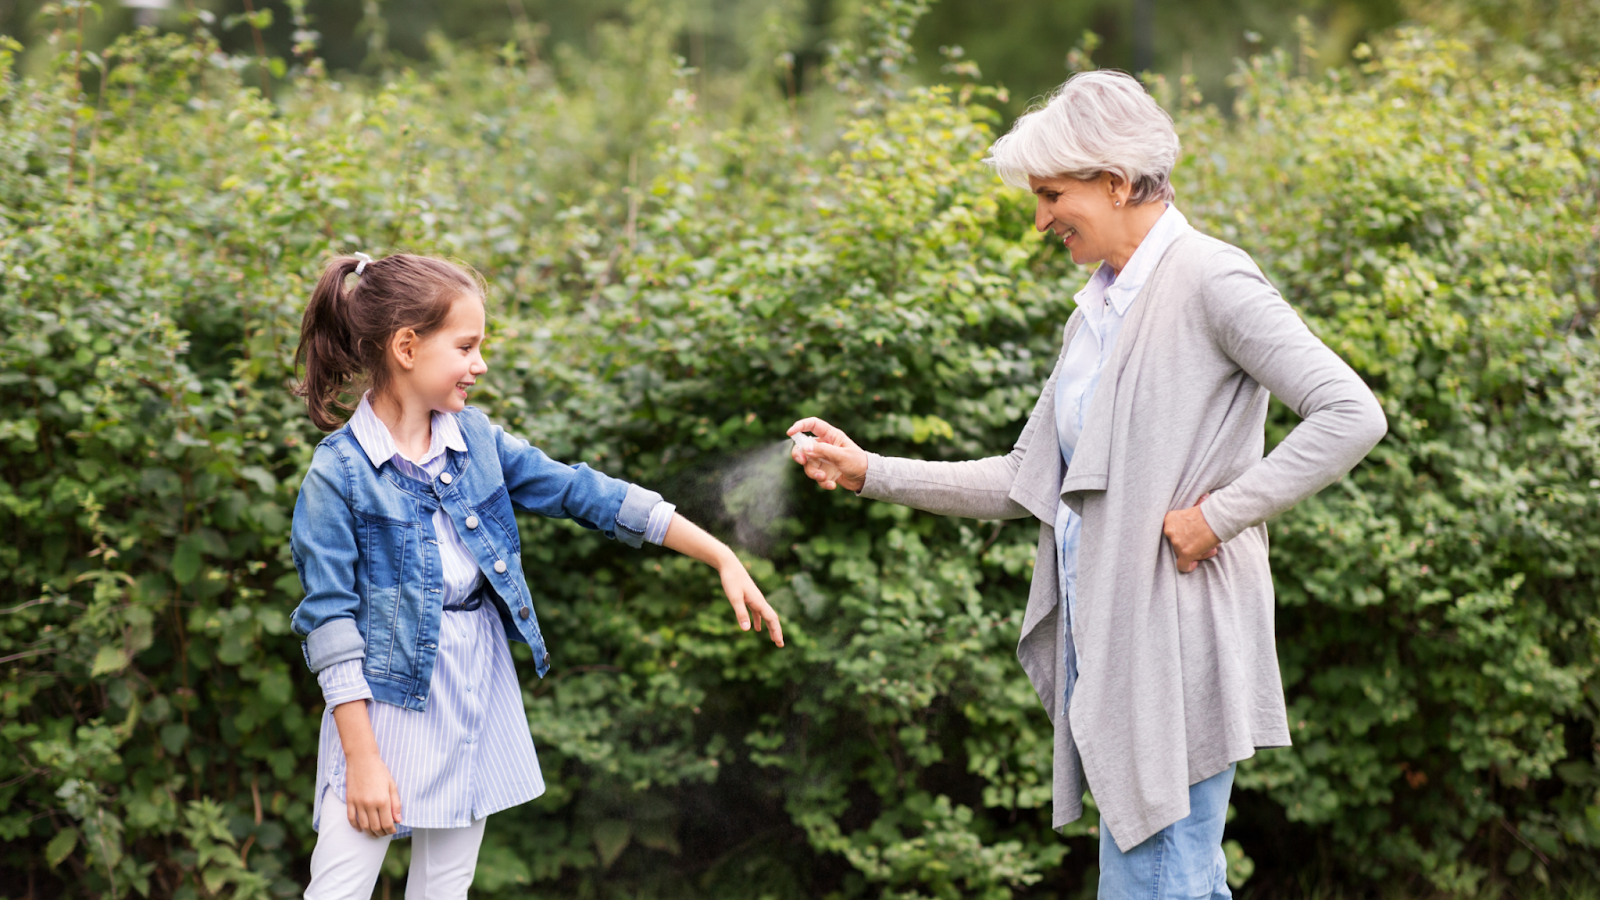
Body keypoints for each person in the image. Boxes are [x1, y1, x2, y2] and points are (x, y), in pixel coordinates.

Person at [789, 70, 1385, 899]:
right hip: (1112, 643)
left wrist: (1219, 515)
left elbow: (1350, 412)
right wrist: (869, 472)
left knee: (1158, 880)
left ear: (1114, 180)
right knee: (1177, 878)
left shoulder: (1211, 278)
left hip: (1171, 643)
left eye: (1050, 194)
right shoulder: (1096, 310)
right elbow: (1023, 480)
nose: (1039, 220)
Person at [289, 252, 784, 900]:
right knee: (338, 890)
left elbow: (586, 494)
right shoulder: (338, 475)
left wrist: (719, 552)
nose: (480, 364)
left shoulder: (480, 443)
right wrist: (362, 759)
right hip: (381, 710)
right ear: (407, 346)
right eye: (466, 346)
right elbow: (329, 624)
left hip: (474, 685)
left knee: (444, 890)